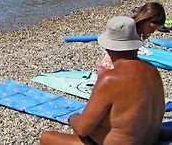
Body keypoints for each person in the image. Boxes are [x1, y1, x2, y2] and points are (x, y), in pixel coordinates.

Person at [40, 16, 165, 145]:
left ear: (108, 47)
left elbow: (82, 129)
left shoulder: (111, 79)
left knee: (46, 137)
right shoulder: (153, 71)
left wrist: (73, 118)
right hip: (149, 141)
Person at [97, 2, 166, 76]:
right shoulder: (129, 31)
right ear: (144, 19)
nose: (152, 31)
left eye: (155, 29)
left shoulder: (136, 30)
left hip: (112, 65)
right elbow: (123, 55)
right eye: (151, 27)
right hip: (111, 68)